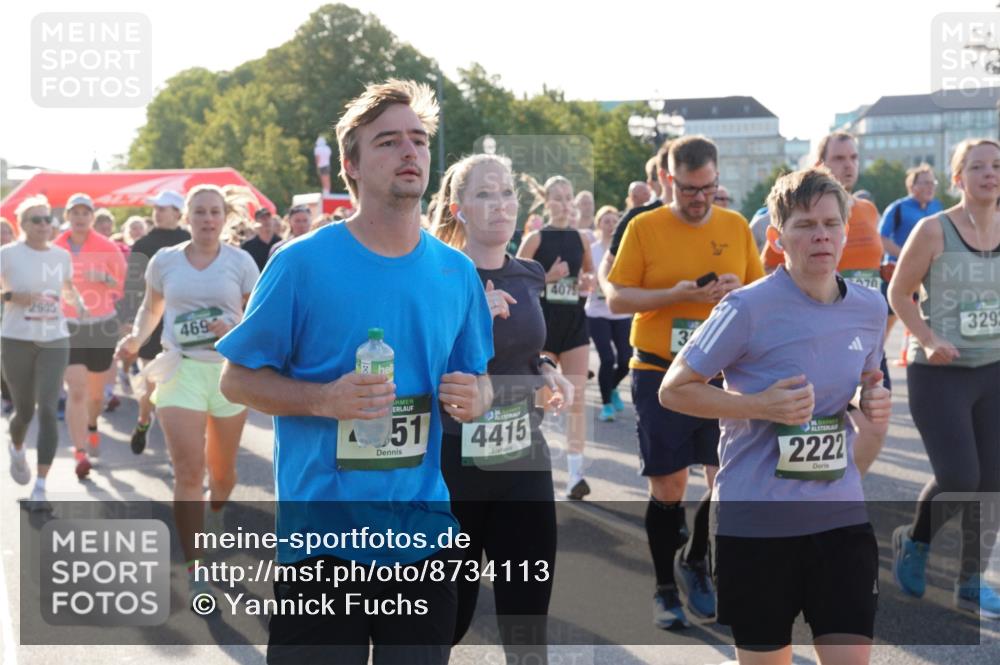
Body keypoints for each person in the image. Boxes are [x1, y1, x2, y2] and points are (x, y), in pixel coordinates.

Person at [217, 79, 493, 664]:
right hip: (322, 543)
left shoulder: (457, 273)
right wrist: (323, 401)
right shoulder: (300, 264)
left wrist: (477, 397)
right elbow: (236, 381)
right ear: (352, 165)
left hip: (423, 538)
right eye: (388, 142)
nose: (409, 152)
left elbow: (478, 381)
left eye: (417, 140)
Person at [660, 166, 890, 664]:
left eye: (831, 223)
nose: (821, 235)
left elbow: (869, 383)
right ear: (777, 237)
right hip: (757, 525)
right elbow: (674, 389)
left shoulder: (871, 309)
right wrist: (757, 406)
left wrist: (872, 400)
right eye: (805, 225)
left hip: (840, 520)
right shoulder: (746, 308)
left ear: (846, 231)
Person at [607, 135, 764, 628]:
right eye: (690, 189)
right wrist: (670, 295)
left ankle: (696, 559)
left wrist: (738, 292)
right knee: (670, 484)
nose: (700, 199)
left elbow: (761, 291)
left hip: (720, 373)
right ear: (668, 180)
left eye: (709, 188)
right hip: (658, 368)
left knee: (727, 480)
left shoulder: (736, 225)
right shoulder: (644, 226)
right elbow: (617, 299)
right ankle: (662, 589)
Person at [431, 153, 573, 662]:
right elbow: (421, 367)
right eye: (485, 195)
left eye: (507, 192)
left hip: (522, 462)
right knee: (450, 619)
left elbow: (526, 346)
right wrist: (472, 322)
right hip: (453, 468)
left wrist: (546, 368)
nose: (500, 204)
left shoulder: (530, 273)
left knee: (527, 620)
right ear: (459, 208)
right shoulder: (438, 275)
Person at [116, 184, 259, 604]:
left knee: (224, 475)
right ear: (187, 217)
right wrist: (135, 339)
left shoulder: (241, 262)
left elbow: (256, 318)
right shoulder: (165, 261)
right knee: (188, 473)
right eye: (200, 212)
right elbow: (151, 308)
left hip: (227, 375)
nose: (208, 219)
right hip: (180, 369)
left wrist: (232, 330)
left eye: (215, 212)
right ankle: (196, 565)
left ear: (225, 216)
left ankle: (215, 517)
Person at [889, 138, 1000, 619]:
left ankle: (971, 580)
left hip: (993, 368)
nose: (989, 173)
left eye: (997, 165)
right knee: (960, 477)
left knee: (993, 480)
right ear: (958, 178)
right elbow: (898, 293)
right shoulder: (934, 230)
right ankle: (915, 542)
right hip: (940, 371)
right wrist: (929, 338)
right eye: (977, 166)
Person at [761, 131, 889, 474]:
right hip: (810, 332)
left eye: (853, 158)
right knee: (794, 431)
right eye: (839, 159)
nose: (848, 166)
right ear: (820, 164)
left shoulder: (868, 210)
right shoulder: (794, 211)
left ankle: (842, 490)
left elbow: (876, 275)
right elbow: (769, 269)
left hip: (860, 333)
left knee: (875, 427)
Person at [2, 195, 86, 508]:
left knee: (49, 409)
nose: (43, 225)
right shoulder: (7, 254)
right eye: (35, 220)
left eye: (47, 219)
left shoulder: (61, 256)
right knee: (24, 410)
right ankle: (17, 446)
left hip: (54, 338)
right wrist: (12, 295)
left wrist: (77, 301)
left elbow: (65, 285)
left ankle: (40, 487)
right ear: (22, 224)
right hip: (16, 338)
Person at [517, 175, 596, 500]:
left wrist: (585, 284)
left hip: (575, 324)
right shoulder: (535, 239)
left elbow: (589, 277)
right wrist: (549, 277)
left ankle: (575, 475)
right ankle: (536, 469)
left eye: (568, 197)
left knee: (576, 398)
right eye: (558, 197)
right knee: (542, 403)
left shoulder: (581, 238)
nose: (564, 203)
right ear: (546, 201)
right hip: (543, 326)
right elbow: (516, 285)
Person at [54, 193, 127, 478]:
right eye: (75, 212)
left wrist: (104, 279)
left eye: (85, 213)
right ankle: (80, 451)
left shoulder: (107, 247)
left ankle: (93, 424)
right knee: (76, 389)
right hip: (67, 325)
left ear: (92, 217)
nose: (80, 217)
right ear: (68, 217)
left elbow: (122, 286)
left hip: (100, 325)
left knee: (95, 396)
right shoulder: (56, 247)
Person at [121, 190, 191, 454]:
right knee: (152, 390)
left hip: (182, 325)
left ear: (177, 212)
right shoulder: (142, 244)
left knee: (177, 395)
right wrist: (129, 321)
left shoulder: (190, 240)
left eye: (164, 208)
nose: (158, 212)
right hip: (149, 324)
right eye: (156, 208)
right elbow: (131, 286)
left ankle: (177, 455)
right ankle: (142, 420)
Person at [878, 164, 943, 338]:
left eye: (933, 182)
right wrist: (909, 257)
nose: (931, 186)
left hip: (929, 274)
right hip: (898, 272)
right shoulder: (897, 208)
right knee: (887, 324)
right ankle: (874, 359)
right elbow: (881, 239)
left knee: (929, 320)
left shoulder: (937, 207)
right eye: (925, 183)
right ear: (912, 186)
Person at [585, 205, 632, 422]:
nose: (611, 225)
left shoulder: (624, 249)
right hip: (596, 312)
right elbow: (581, 278)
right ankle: (606, 405)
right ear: (598, 224)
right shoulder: (592, 249)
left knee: (625, 360)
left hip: (620, 311)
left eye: (614, 221)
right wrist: (590, 283)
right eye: (606, 221)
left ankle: (611, 386)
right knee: (607, 358)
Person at [241, 207, 280, 272]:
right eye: (262, 218)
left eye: (268, 218)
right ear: (256, 223)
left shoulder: (281, 243)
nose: (266, 221)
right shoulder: (248, 246)